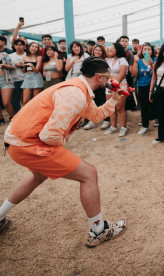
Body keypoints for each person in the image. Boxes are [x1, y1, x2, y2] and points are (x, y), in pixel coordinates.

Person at [0, 57, 126, 247]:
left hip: (16, 141)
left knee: (38, 176)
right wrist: (62, 143)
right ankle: (98, 231)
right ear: (100, 77)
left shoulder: (79, 88)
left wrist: (114, 99)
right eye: (108, 75)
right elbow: (48, 136)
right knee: (89, 174)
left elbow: (94, 115)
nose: (110, 79)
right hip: (29, 144)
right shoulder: (75, 94)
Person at [130, 43, 156, 134]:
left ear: (152, 51)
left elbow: (155, 74)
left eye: (149, 49)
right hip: (142, 86)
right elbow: (135, 74)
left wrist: (152, 64)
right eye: (145, 49)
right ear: (142, 51)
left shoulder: (155, 59)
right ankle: (145, 125)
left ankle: (157, 120)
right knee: (143, 106)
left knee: (154, 105)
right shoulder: (139, 61)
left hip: (153, 86)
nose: (147, 51)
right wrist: (135, 62)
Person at [103, 43, 129, 136]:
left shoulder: (122, 60)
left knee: (120, 107)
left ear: (117, 49)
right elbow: (106, 73)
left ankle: (123, 127)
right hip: (109, 85)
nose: (110, 49)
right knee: (111, 107)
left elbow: (121, 75)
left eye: (112, 48)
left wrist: (114, 87)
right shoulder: (109, 60)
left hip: (120, 85)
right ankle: (113, 126)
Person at [84, 45, 110, 131]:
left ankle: (106, 120)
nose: (97, 52)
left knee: (103, 101)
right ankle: (92, 121)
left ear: (102, 52)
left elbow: (108, 72)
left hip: (102, 84)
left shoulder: (105, 60)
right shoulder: (90, 60)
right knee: (93, 102)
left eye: (99, 50)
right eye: (96, 50)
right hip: (92, 84)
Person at [9, 39, 26, 114]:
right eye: (17, 45)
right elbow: (7, 66)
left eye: (20, 45)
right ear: (14, 46)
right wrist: (15, 65)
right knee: (15, 100)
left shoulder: (27, 55)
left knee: (25, 100)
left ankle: (26, 113)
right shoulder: (10, 56)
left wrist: (23, 65)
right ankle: (18, 115)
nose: (19, 47)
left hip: (26, 79)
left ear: (24, 46)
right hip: (14, 80)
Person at [0, 50, 15, 122]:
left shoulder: (4, 54)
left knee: (6, 102)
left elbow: (12, 66)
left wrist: (3, 65)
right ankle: (1, 119)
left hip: (5, 80)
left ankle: (13, 118)